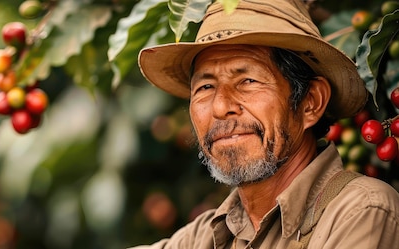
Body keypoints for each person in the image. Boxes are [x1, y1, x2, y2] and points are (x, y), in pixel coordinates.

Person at [131, 0, 399, 248]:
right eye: (206, 86)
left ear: (311, 102)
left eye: (248, 81)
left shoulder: (362, 212)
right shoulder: (203, 237)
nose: (221, 107)